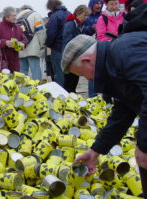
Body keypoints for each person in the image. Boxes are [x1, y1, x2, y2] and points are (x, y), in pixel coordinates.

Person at [61, 10, 147, 195]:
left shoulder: (125, 51)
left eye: (82, 74)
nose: (88, 80)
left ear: (87, 60)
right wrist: (95, 151)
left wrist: (144, 145)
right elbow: (123, 113)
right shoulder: (114, 62)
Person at [0, 7, 26, 73]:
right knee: (0, 80)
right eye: (13, 16)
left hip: (14, 60)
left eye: (15, 15)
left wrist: (22, 44)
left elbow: (23, 40)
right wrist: (5, 42)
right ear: (6, 17)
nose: (15, 17)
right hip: (0, 60)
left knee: (13, 80)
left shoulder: (18, 28)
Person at [63, 5, 90, 93]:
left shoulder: (80, 25)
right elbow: (68, 41)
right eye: (84, 15)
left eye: (86, 16)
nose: (85, 18)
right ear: (78, 13)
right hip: (70, 57)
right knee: (69, 83)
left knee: (74, 81)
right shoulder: (71, 24)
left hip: (76, 57)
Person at [17, 5, 46, 80]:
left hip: (21, 48)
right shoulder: (35, 15)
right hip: (33, 48)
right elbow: (40, 31)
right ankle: (37, 88)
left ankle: (22, 90)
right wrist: (42, 45)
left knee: (22, 72)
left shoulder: (16, 18)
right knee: (35, 71)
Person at [45, 0, 70, 87]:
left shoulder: (54, 16)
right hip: (69, 47)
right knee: (69, 72)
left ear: (51, 7)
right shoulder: (69, 13)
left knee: (58, 72)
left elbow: (51, 33)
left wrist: (48, 44)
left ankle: (60, 93)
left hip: (57, 48)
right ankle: (69, 91)